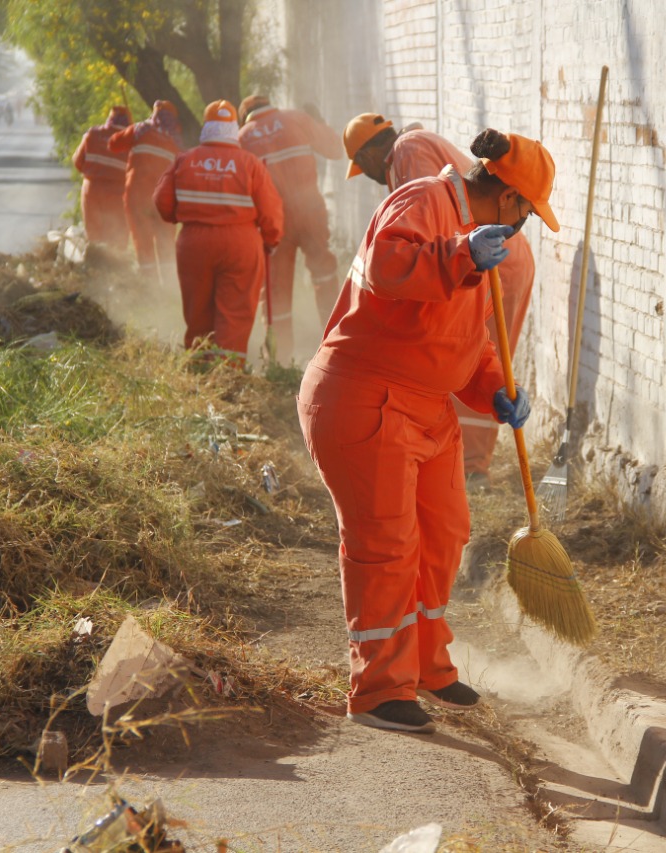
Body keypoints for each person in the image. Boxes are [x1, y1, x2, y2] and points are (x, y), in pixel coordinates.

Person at [298, 128, 559, 734]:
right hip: (364, 395)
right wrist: (460, 254)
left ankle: (426, 665)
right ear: (510, 197)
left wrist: (494, 388)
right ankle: (379, 690)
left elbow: (468, 336)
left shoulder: (480, 243)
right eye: (528, 213)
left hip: (424, 404)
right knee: (387, 544)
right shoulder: (423, 201)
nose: (524, 227)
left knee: (444, 531)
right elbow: (391, 265)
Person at [343, 114, 537, 489]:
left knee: (481, 355)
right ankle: (468, 463)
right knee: (480, 357)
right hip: (485, 259)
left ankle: (473, 467)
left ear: (367, 153)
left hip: (492, 263)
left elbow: (427, 225)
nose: (364, 172)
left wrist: (462, 258)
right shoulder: (413, 148)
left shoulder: (407, 151)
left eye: (359, 164)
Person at [153, 100, 283, 366]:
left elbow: (162, 202)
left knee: (197, 310)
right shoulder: (251, 163)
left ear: (206, 128)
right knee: (235, 314)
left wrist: (186, 217)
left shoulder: (185, 159)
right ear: (234, 130)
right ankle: (227, 376)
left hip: (194, 244)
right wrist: (271, 239)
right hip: (241, 244)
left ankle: (199, 368)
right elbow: (271, 211)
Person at [237, 95, 344, 361]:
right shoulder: (297, 118)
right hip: (310, 212)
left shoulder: (241, 139)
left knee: (275, 290)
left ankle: (280, 357)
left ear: (245, 115)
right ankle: (338, 346)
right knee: (323, 275)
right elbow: (335, 149)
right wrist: (318, 121)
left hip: (273, 222)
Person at [108, 100, 181, 282]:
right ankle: (169, 287)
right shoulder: (176, 140)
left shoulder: (140, 130)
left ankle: (149, 287)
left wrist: (131, 131)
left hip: (137, 196)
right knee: (166, 243)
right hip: (164, 200)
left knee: (142, 241)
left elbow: (113, 144)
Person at [71, 105, 131, 249]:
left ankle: (94, 265)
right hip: (117, 193)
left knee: (94, 235)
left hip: (91, 190)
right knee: (117, 236)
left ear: (110, 119)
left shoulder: (92, 134)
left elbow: (77, 163)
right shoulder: (130, 142)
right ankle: (115, 267)